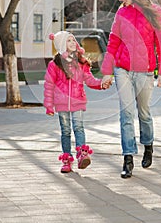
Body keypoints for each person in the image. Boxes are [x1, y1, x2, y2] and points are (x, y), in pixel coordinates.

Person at [101, 0, 161, 179]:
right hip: (122, 70)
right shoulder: (121, 13)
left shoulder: (154, 12)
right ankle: (128, 158)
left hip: (145, 72)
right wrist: (107, 72)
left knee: (144, 113)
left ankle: (148, 145)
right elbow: (113, 43)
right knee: (126, 114)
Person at [44, 31, 111, 173]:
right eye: (69, 41)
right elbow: (49, 85)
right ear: (62, 44)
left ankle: (82, 154)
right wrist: (49, 105)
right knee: (66, 131)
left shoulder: (81, 62)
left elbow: (89, 79)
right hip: (62, 104)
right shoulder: (55, 64)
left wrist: (101, 84)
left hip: (78, 101)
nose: (73, 43)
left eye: (73, 40)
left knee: (79, 127)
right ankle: (67, 160)